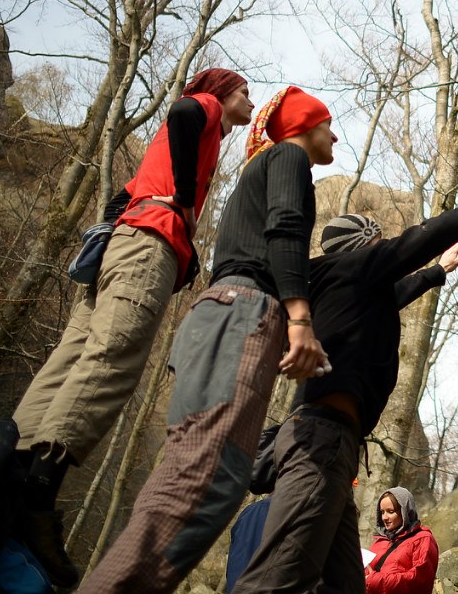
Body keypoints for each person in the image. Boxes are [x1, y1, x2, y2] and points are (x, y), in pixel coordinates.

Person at [78, 86, 335, 594]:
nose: (334, 135)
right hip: (242, 316)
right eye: (327, 123)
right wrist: (300, 319)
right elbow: (286, 229)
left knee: (186, 471)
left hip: (216, 317)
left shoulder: (255, 174)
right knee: (207, 480)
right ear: (303, 124)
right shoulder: (286, 157)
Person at [10, 68, 253, 585]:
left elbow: (122, 198)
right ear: (223, 94)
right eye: (245, 93)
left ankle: (9, 472)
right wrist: (184, 207)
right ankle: (37, 493)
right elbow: (185, 109)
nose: (249, 103)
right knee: (114, 357)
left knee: (73, 357)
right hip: (149, 245)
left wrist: (143, 219)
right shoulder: (203, 109)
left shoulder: (169, 148)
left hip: (123, 243)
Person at [232, 179, 458, 594]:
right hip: (323, 441)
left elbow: (392, 294)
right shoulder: (356, 269)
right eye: (379, 243)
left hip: (331, 444)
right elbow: (423, 237)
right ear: (365, 245)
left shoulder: (335, 288)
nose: (384, 250)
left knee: (346, 585)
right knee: (274, 579)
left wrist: (438, 272)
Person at [364, 488, 438, 594]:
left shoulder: (423, 539)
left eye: (390, 511)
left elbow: (420, 581)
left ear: (404, 511)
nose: (384, 517)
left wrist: (375, 581)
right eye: (382, 512)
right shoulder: (379, 541)